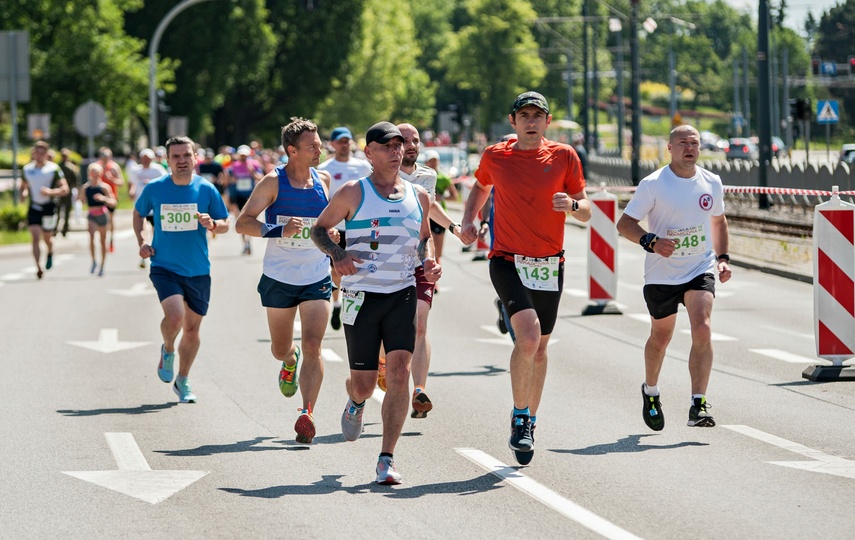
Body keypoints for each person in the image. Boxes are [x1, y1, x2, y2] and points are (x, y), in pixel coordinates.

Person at [459, 92, 590, 466]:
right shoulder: (495, 155)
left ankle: (531, 418)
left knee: (541, 348)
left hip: (549, 263)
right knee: (528, 338)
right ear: (513, 122)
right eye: (524, 115)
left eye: (538, 115)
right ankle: (519, 417)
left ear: (547, 121)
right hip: (507, 260)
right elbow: (481, 187)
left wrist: (573, 205)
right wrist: (470, 218)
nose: (531, 121)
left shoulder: (565, 156)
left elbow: (588, 211)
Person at [310, 122, 440, 485]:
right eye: (387, 146)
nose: (396, 151)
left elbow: (423, 239)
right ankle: (355, 399)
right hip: (360, 297)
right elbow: (318, 230)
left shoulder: (419, 196)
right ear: (369, 153)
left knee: (398, 373)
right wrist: (338, 255)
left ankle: (386, 458)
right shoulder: (354, 192)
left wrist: (428, 261)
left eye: (399, 145)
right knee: (367, 385)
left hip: (401, 294)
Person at [615, 124, 732, 431]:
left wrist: (722, 259)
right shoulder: (654, 184)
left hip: (699, 267)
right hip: (661, 273)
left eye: (694, 143)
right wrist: (651, 241)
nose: (689, 147)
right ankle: (651, 392)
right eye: (682, 142)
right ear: (669, 148)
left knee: (703, 327)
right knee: (661, 338)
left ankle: (698, 403)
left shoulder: (712, 182)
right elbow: (625, 224)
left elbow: (718, 222)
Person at [236, 118, 337, 444]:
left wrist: (331, 233)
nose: (320, 149)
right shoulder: (272, 182)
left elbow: (327, 224)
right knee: (282, 348)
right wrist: (278, 230)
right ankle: (288, 362)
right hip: (279, 276)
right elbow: (243, 223)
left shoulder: (323, 179)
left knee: (313, 344)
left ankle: (306, 412)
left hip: (315, 274)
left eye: (319, 144)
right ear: (292, 151)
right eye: (313, 146)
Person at [133, 136, 230, 403]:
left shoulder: (206, 189)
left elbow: (225, 223)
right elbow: (139, 213)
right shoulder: (155, 188)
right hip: (164, 265)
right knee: (175, 318)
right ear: (167, 160)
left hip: (198, 269)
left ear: (195, 157)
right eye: (175, 156)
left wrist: (212, 224)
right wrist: (142, 240)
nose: (182, 160)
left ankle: (183, 379)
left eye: (186, 155)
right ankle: (167, 349)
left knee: (192, 330)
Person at [385, 123, 461, 420]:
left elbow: (430, 208)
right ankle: (382, 364)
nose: (412, 145)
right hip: (388, 263)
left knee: (419, 324)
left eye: (415, 140)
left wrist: (454, 227)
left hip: (418, 260)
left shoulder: (427, 176)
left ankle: (418, 391)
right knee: (387, 331)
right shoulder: (381, 177)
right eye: (405, 140)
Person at [317, 127, 372, 331]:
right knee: (336, 270)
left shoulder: (363, 167)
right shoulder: (324, 168)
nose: (344, 144)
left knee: (358, 269)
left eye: (347, 140)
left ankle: (356, 309)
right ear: (332, 144)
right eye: (340, 141)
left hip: (359, 227)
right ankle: (338, 304)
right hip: (334, 228)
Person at [20, 141, 69, 279]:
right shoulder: (27, 169)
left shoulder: (53, 169)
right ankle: (38, 267)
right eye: (37, 152)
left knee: (47, 238)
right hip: (34, 206)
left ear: (47, 154)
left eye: (42, 153)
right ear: (33, 153)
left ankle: (50, 252)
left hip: (48, 206)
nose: (40, 155)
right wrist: (23, 194)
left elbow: (65, 189)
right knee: (35, 237)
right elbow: (23, 186)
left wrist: (50, 192)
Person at [78, 163, 116, 276]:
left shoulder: (104, 187)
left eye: (97, 173)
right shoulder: (85, 187)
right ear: (89, 173)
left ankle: (102, 265)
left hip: (102, 214)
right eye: (93, 173)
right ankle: (94, 261)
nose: (95, 175)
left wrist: (103, 198)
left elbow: (113, 202)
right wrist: (81, 198)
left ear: (101, 174)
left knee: (103, 241)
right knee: (91, 237)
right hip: (91, 214)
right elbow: (81, 201)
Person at [423, 149, 458, 268]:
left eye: (435, 160)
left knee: (438, 251)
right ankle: (432, 280)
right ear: (426, 162)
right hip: (425, 215)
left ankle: (436, 277)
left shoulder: (444, 178)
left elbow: (454, 196)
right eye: (430, 161)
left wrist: (441, 197)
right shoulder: (421, 177)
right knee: (427, 250)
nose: (433, 163)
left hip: (439, 214)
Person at [230, 145, 263, 255]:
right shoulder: (235, 165)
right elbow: (231, 180)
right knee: (240, 220)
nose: (243, 157)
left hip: (251, 196)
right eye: (241, 155)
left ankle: (248, 242)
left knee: (250, 221)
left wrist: (252, 172)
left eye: (245, 155)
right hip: (239, 195)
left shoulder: (254, 164)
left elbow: (261, 178)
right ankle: (245, 244)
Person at [97, 148, 124, 253]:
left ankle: (111, 240)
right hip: (99, 197)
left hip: (111, 197)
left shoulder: (114, 167)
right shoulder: (97, 166)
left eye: (107, 157)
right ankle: (103, 240)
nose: (105, 159)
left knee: (110, 220)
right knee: (101, 220)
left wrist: (111, 179)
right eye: (103, 157)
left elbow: (121, 182)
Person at [56, 148, 80, 237]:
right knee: (63, 212)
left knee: (63, 211)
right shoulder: (64, 167)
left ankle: (62, 229)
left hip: (63, 192)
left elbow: (75, 181)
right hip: (63, 192)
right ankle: (62, 229)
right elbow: (76, 181)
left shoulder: (60, 167)